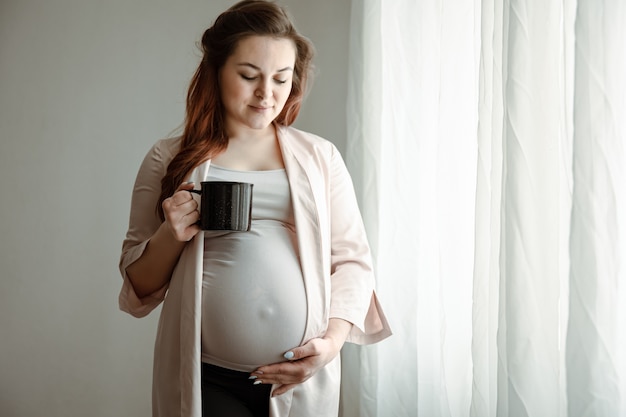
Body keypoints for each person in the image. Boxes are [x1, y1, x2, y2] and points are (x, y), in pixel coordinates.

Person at [118, 1, 391, 416]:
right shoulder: (168, 159)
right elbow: (137, 289)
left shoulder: (320, 157)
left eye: (281, 79)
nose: (267, 94)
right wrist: (169, 235)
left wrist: (331, 344)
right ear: (216, 71)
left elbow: (353, 262)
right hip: (208, 379)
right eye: (249, 76)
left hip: (299, 379)